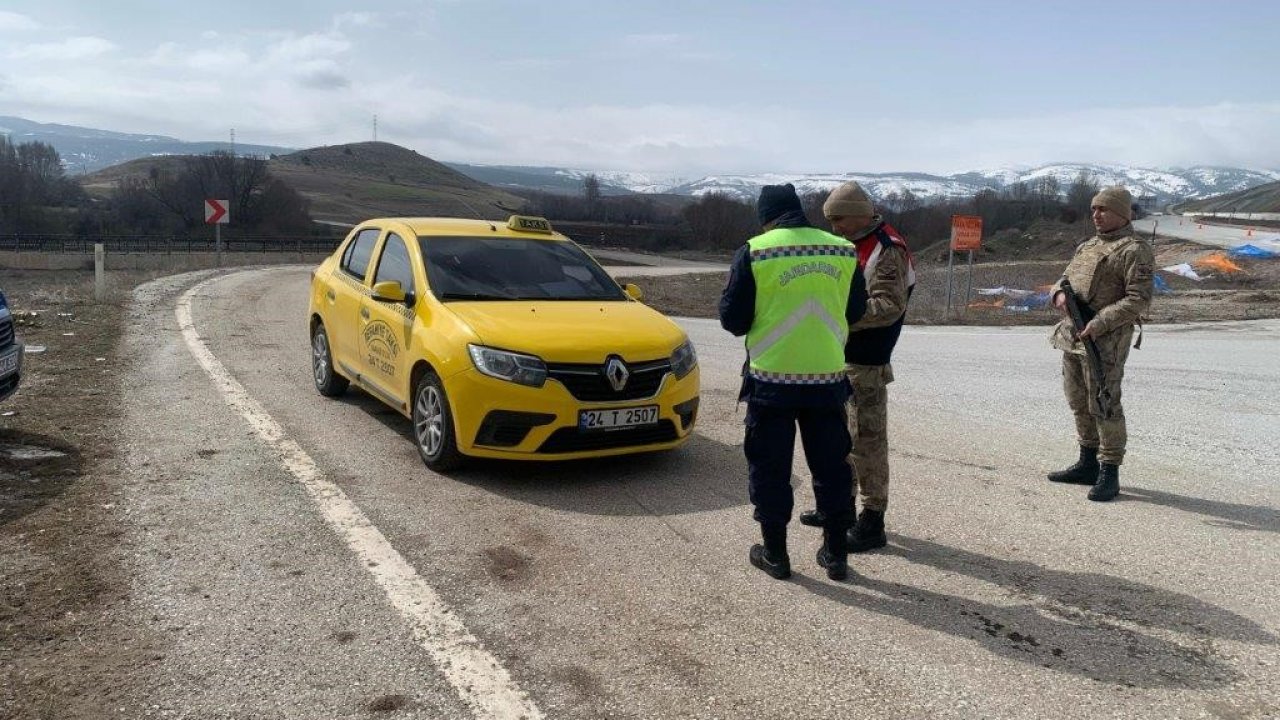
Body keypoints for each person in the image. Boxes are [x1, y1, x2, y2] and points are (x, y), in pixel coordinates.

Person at [719, 183, 867, 581]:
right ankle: (836, 555)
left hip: (771, 383)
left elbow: (732, 321)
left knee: (770, 468)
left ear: (765, 217)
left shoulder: (756, 250)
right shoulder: (842, 250)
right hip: (827, 379)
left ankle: (775, 555)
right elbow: (856, 309)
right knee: (833, 467)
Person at [797, 181, 916, 553]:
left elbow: (889, 306)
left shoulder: (886, 248)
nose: (836, 228)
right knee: (838, 443)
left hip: (866, 361)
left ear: (859, 213)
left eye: (840, 220)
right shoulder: (852, 244)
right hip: (840, 358)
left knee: (867, 443)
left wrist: (838, 317)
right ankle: (839, 508)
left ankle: (872, 519)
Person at [1047, 186, 1153, 501]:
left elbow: (1139, 299)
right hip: (1073, 336)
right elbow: (1062, 278)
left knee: (1105, 404)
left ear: (1122, 213)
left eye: (1103, 209)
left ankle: (1109, 470)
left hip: (1105, 341)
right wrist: (1059, 294)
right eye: (1094, 209)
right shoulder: (1088, 245)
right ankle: (1087, 462)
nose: (1096, 214)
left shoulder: (1134, 250)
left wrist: (1100, 322)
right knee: (1078, 400)